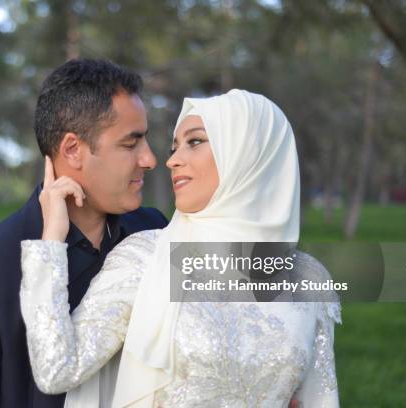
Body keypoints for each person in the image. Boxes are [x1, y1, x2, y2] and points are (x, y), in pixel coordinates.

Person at [20, 89, 342, 407]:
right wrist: (51, 241)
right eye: (175, 146)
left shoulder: (309, 279)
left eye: (196, 141)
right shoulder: (144, 258)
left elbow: (319, 398)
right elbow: (56, 369)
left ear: (250, 154)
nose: (172, 160)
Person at [0, 59, 169, 408]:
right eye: (131, 144)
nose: (150, 159)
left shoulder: (155, 230)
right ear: (72, 150)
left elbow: (265, 283)